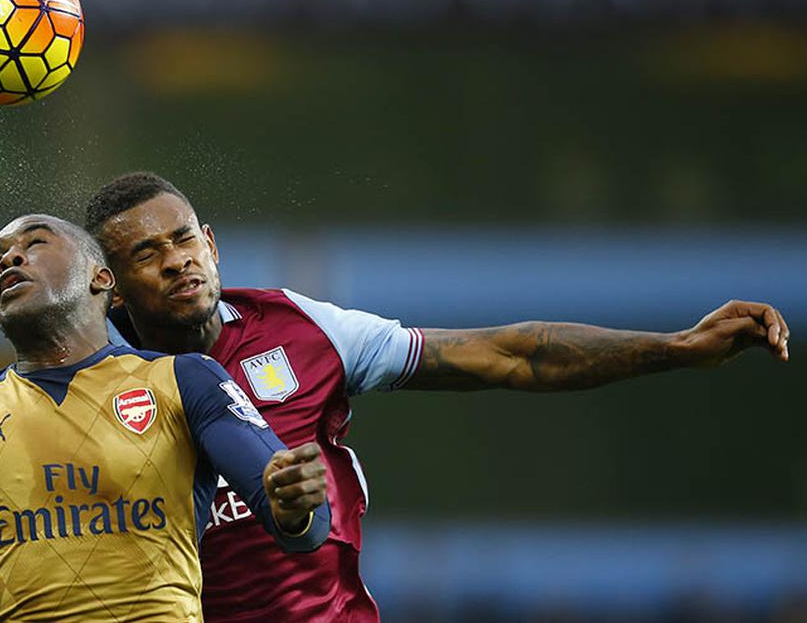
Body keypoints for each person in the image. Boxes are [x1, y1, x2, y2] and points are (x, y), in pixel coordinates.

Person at [83, 172, 791, 622]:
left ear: (211, 244)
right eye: (145, 254)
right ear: (109, 282)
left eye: (183, 240)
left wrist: (673, 348)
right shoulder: (86, 385)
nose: (176, 260)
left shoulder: (301, 330)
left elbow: (508, 355)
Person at [0, 214, 332, 622]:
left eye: (34, 243)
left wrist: (294, 504)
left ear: (100, 277)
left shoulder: (186, 379)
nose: (9, 258)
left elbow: (290, 514)